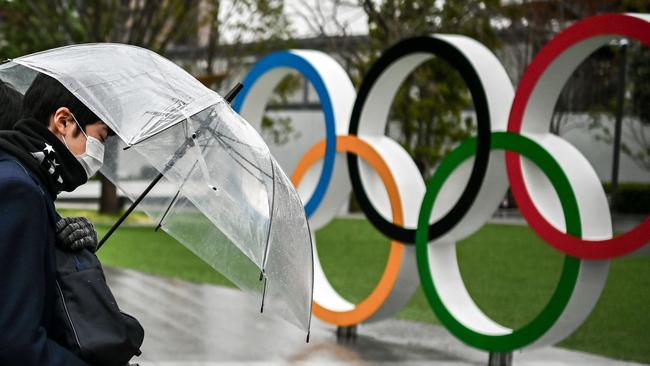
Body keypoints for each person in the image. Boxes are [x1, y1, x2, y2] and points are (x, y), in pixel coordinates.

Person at [0, 73, 109, 365]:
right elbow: (15, 343)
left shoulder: (25, 179)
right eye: (99, 138)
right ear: (63, 122)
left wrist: (67, 250)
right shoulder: (17, 188)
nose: (100, 155)